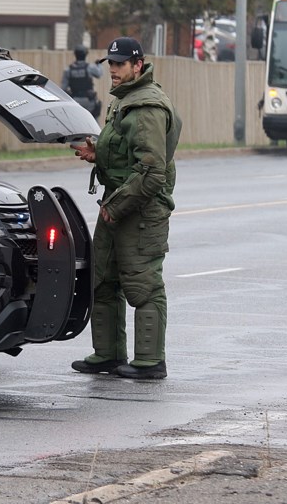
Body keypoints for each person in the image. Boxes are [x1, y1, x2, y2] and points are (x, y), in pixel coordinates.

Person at [71, 36, 182, 380]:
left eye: (120, 64)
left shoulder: (147, 106)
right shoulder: (125, 100)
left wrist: (115, 206)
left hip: (140, 209)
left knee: (142, 284)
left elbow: (151, 172)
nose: (113, 71)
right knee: (102, 280)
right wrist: (98, 153)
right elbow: (125, 150)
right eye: (111, 64)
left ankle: (150, 362)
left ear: (138, 64)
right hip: (117, 202)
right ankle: (107, 355)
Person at [62, 44, 103, 120]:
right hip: (89, 102)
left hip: (75, 102)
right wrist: (99, 64)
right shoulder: (90, 67)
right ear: (86, 54)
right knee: (93, 122)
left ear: (75, 54)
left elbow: (63, 89)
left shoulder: (68, 70)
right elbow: (99, 74)